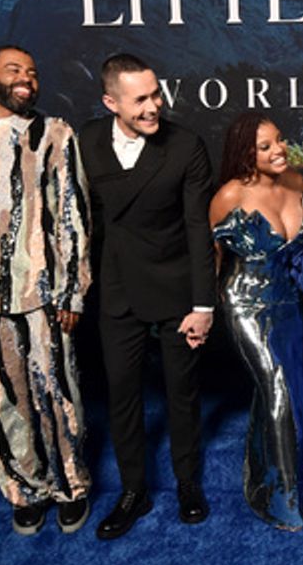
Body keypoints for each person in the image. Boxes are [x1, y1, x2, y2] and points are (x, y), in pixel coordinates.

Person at [0, 45, 93, 536]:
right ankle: (25, 490)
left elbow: (73, 213)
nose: (26, 79)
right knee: (2, 399)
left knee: (57, 392)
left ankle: (71, 486)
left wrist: (72, 291)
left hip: (44, 294)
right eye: (14, 70)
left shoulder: (56, 133)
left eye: (32, 72)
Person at [78, 53, 215, 539]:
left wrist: (203, 305)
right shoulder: (86, 141)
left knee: (182, 393)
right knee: (121, 397)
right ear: (110, 102)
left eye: (156, 94)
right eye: (140, 100)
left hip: (176, 287)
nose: (153, 106)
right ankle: (133, 491)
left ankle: (188, 483)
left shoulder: (186, 145)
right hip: (117, 288)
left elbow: (199, 229)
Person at [209, 111, 303, 530]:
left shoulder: (297, 182)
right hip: (247, 305)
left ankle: (272, 473)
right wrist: (204, 310)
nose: (279, 150)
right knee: (279, 392)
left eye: (280, 140)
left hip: (291, 303)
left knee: (296, 392)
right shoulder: (229, 195)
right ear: (246, 154)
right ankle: (284, 498)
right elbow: (213, 259)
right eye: (265, 146)